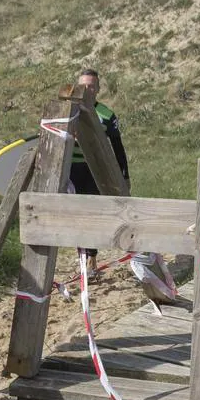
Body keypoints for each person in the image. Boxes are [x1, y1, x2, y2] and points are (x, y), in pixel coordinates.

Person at [68, 67, 130, 277]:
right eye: (84, 86)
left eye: (92, 87)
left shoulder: (107, 115)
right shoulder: (67, 110)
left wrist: (125, 176)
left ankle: (91, 258)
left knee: (92, 214)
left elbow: (118, 148)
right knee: (75, 214)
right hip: (70, 170)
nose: (88, 90)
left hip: (94, 170)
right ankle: (83, 256)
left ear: (98, 89)